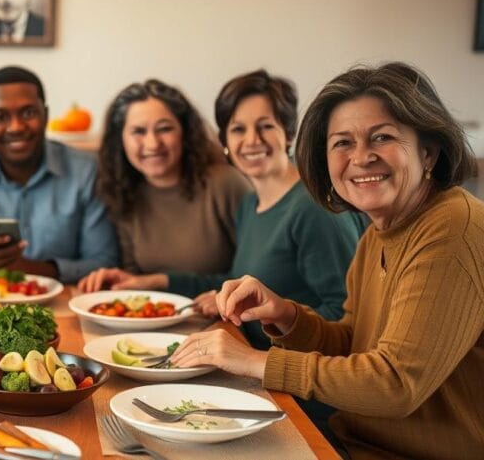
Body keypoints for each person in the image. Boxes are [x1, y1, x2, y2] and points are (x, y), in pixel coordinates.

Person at [171, 63, 483, 459]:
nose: (361, 157)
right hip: (352, 440)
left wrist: (254, 361)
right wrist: (287, 315)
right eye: (342, 143)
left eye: (382, 137)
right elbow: (352, 342)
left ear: (429, 152)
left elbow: (396, 384)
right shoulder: (380, 230)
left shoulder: (453, 228)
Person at [79, 71, 363, 350]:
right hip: (244, 349)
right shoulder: (251, 205)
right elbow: (239, 280)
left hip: (285, 368)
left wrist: (258, 315)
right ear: (224, 139)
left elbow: (345, 320)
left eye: (265, 126)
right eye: (238, 129)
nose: (252, 140)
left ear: (288, 133)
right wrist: (159, 282)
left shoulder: (314, 207)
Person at [0, 66, 118, 283]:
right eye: (0, 117)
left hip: (67, 299)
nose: (16, 127)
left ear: (46, 115)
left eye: (28, 113)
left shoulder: (86, 172)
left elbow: (104, 262)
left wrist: (33, 269)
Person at [78, 79, 251, 288]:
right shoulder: (123, 192)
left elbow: (256, 276)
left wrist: (162, 281)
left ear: (185, 133)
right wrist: (119, 280)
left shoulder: (226, 184)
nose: (152, 144)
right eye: (138, 131)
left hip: (225, 307)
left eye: (165, 129)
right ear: (120, 140)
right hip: (160, 309)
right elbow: (138, 279)